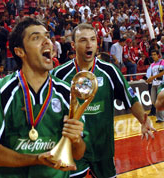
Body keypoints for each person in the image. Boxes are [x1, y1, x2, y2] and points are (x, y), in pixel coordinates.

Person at [0, 17, 85, 178]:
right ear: (20, 51)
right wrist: (36, 159)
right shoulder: (0, 91)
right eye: (36, 38)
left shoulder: (67, 92)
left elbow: (78, 153)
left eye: (47, 36)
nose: (47, 41)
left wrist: (76, 140)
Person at [52, 23, 155, 178]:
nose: (89, 44)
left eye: (93, 39)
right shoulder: (59, 74)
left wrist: (143, 120)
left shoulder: (109, 71)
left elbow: (130, 98)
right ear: (73, 45)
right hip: (72, 149)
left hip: (103, 148)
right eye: (83, 40)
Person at [146, 49, 164, 123]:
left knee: (158, 101)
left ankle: (160, 118)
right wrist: (149, 79)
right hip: (154, 84)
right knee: (153, 101)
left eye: (154, 54)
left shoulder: (162, 62)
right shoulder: (152, 65)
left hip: (161, 84)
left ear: (158, 55)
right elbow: (151, 75)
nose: (153, 56)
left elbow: (163, 72)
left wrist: (153, 77)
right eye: (152, 55)